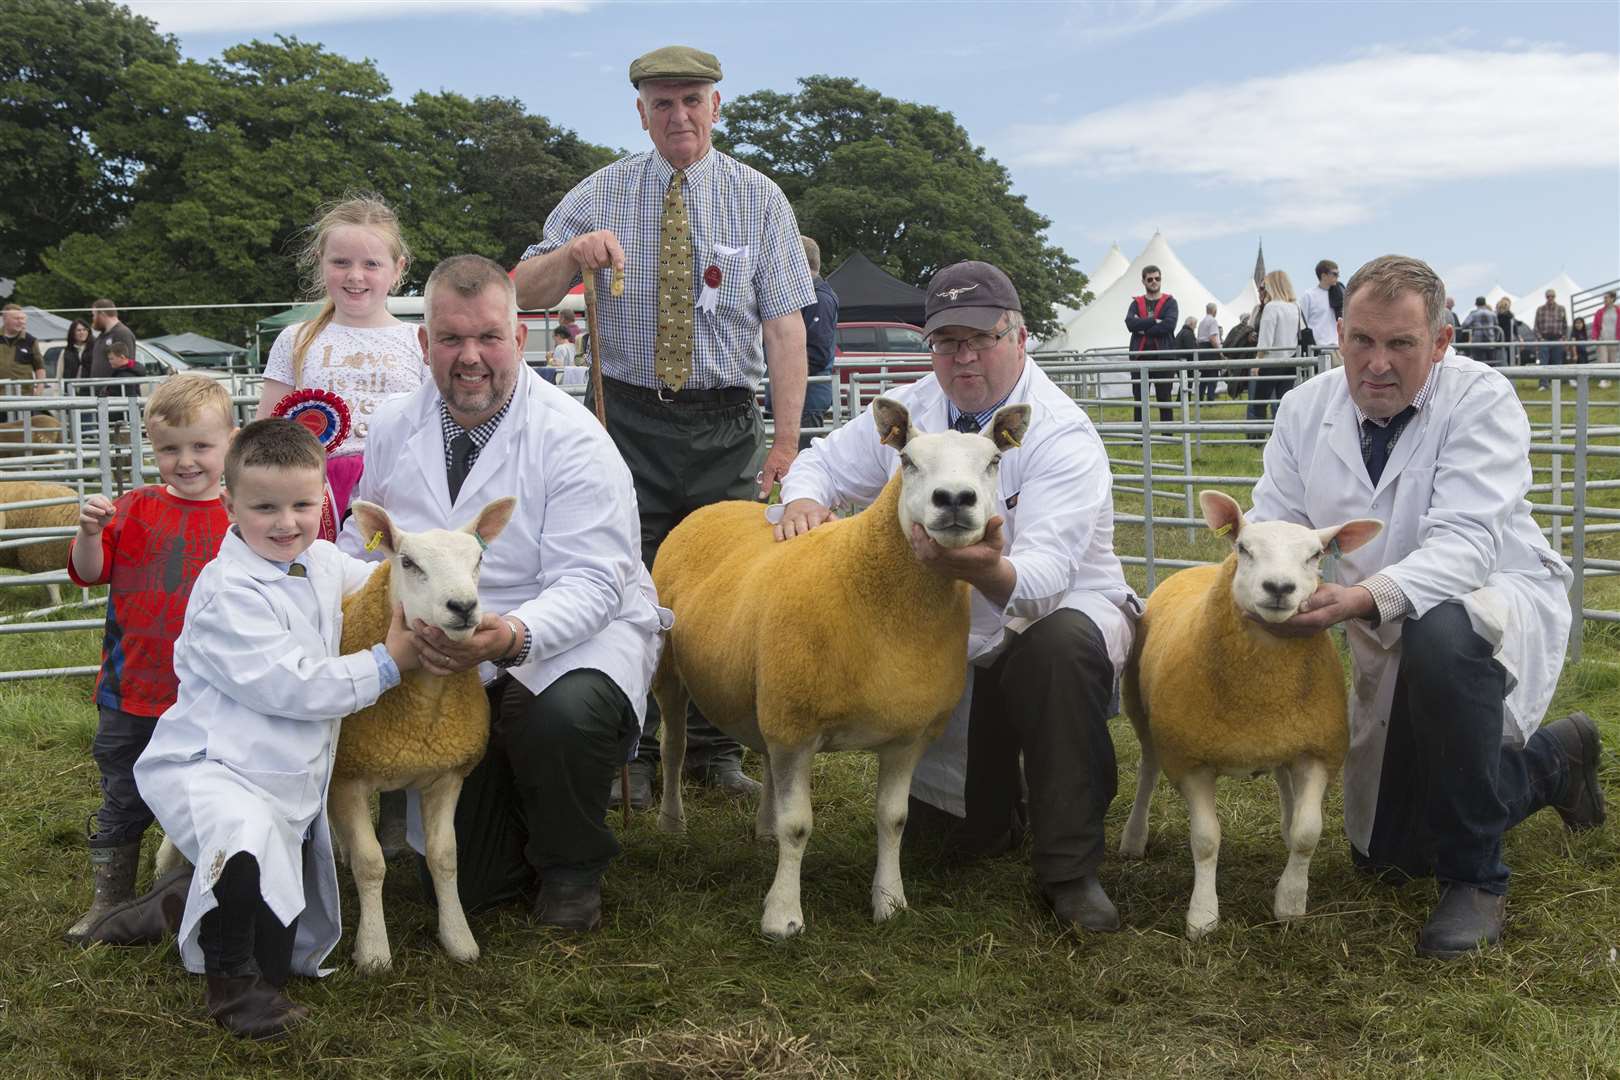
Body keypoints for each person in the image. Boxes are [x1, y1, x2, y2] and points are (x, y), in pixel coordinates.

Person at [1248, 254, 1602, 959]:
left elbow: (1467, 544)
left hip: (1487, 602)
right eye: (1362, 342)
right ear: (1339, 334)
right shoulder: (1303, 410)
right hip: (1377, 624)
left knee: (1443, 628)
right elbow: (1274, 524)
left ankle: (1477, 879)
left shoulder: (1482, 400)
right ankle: (1557, 759)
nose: (1376, 365)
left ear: (1440, 343)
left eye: (1401, 345)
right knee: (1390, 860)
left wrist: (1359, 597)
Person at [775, 260, 1139, 932]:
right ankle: (999, 809)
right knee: (954, 842)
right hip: (952, 627)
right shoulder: (910, 409)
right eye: (947, 342)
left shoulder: (1058, 432)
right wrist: (801, 500)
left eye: (983, 338)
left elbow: (1044, 577)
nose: (964, 356)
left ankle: (1070, 869)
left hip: (1060, 610)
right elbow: (824, 461)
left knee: (1056, 650)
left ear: (1020, 336)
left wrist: (972, 568)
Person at [513, 44, 815, 808]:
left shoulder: (760, 199)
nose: (678, 115)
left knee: (727, 581)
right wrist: (574, 254)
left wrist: (785, 441)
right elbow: (523, 291)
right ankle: (634, 747)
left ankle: (715, 748)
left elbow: (784, 328)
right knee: (624, 577)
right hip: (625, 419)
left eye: (692, 100)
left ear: (718, 105)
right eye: (662, 103)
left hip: (723, 419)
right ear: (640, 112)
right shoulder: (597, 193)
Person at [339, 254, 666, 932]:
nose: (470, 357)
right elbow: (361, 546)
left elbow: (594, 580)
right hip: (439, 645)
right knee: (474, 882)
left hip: (566, 636)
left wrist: (510, 636)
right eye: (452, 339)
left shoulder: (573, 439)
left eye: (489, 337)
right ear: (424, 343)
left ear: (519, 339)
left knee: (559, 715)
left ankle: (571, 868)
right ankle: (516, 826)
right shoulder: (396, 424)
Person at [110, 419, 419, 1039]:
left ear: (324, 502)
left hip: (287, 774)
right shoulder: (227, 590)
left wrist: (428, 587)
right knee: (244, 847)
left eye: (303, 505)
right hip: (215, 765)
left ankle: (177, 902)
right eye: (265, 507)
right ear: (230, 505)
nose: (286, 523)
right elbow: (293, 684)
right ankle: (233, 991)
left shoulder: (324, 560)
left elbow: (380, 587)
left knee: (279, 947)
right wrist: (388, 663)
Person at [62, 375, 236, 946]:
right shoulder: (131, 508)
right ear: (150, 446)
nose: (185, 461)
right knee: (123, 793)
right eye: (169, 449)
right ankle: (107, 902)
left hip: (205, 698)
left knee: (197, 797)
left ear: (230, 442)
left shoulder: (241, 523)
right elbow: (90, 572)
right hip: (130, 689)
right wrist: (89, 532)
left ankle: (182, 900)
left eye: (201, 446)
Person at [255, 194, 424, 537]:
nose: (355, 276)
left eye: (372, 264)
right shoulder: (295, 339)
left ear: (398, 269)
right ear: (321, 261)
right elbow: (265, 432)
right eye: (341, 262)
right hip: (310, 497)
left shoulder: (420, 339)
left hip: (397, 494)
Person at [763, 234, 838, 449]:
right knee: (790, 467)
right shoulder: (807, 296)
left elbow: (817, 353)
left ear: (797, 262)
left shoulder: (820, 299)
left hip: (807, 398)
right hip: (799, 397)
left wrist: (783, 372)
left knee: (801, 466)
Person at [1247, 270, 1301, 434]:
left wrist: (1257, 362)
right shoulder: (1295, 307)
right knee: (1284, 404)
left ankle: (1258, 439)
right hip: (1289, 361)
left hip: (1270, 362)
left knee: (1259, 404)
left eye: (1265, 285)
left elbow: (1265, 342)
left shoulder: (1271, 307)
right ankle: (1283, 439)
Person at [1124, 264, 1178, 424]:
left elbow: (1169, 325)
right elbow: (1130, 324)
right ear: (1143, 281)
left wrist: (1143, 327)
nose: (1154, 282)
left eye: (1157, 278)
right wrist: (1154, 320)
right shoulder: (1136, 303)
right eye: (1150, 279)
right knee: (1140, 399)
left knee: (1165, 398)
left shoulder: (1170, 302)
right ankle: (1140, 436)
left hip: (1164, 357)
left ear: (1161, 279)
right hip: (1140, 357)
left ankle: (1167, 436)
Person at [88, 299, 138, 400]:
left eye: (94, 315)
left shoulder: (122, 333)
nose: (93, 319)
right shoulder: (101, 336)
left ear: (102, 314)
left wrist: (111, 390)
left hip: (115, 397)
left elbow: (127, 365)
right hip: (101, 397)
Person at [0, 303, 46, 397]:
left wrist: (39, 388)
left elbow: (39, 367)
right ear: (4, 319)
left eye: (23, 318)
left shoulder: (30, 340)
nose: (21, 322)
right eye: (16, 318)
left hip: (24, 396)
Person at [1299, 259, 1341, 359]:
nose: (1338, 277)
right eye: (1334, 274)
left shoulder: (1339, 294)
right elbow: (1302, 324)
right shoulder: (1309, 295)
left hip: (1337, 348)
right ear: (1323, 275)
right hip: (1317, 349)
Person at [1533, 289, 1569, 390]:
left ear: (1555, 297)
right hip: (1544, 339)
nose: (1550, 298)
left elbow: (1565, 326)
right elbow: (1536, 327)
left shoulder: (1561, 309)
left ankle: (1556, 384)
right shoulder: (1540, 309)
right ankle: (1543, 384)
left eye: (1552, 296)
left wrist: (1563, 338)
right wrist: (1540, 339)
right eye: (1548, 296)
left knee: (1557, 363)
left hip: (1558, 339)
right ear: (1546, 297)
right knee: (1543, 362)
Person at [47, 317, 94, 385]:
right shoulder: (65, 352)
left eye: (84, 329)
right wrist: (57, 393)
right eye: (79, 330)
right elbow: (59, 375)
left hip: (90, 390)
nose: (82, 332)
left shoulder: (95, 349)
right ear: (73, 333)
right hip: (70, 391)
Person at [1460, 296, 1500, 366]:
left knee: (1478, 365)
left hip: (1477, 342)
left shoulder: (1473, 314)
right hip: (1490, 342)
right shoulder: (1492, 314)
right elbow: (1497, 327)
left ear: (1476, 304)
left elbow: (1464, 325)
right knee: (1492, 364)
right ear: (1485, 303)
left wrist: (1472, 328)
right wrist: (1495, 339)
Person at [1195, 302, 1222, 402]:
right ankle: (1210, 399)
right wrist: (1220, 351)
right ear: (1215, 311)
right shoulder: (1213, 321)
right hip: (1210, 349)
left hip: (1202, 349)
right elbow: (1212, 338)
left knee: (1204, 376)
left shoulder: (1201, 322)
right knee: (1213, 375)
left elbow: (1198, 338)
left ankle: (1200, 399)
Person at [1592, 290, 1619, 368]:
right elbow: (1595, 326)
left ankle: (1612, 379)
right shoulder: (1599, 312)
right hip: (1602, 340)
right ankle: (1604, 379)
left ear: (1612, 298)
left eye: (1606, 297)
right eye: (1604, 298)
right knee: (1603, 361)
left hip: (1615, 340)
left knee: (1613, 362)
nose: (1604, 299)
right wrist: (1594, 337)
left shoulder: (1618, 310)